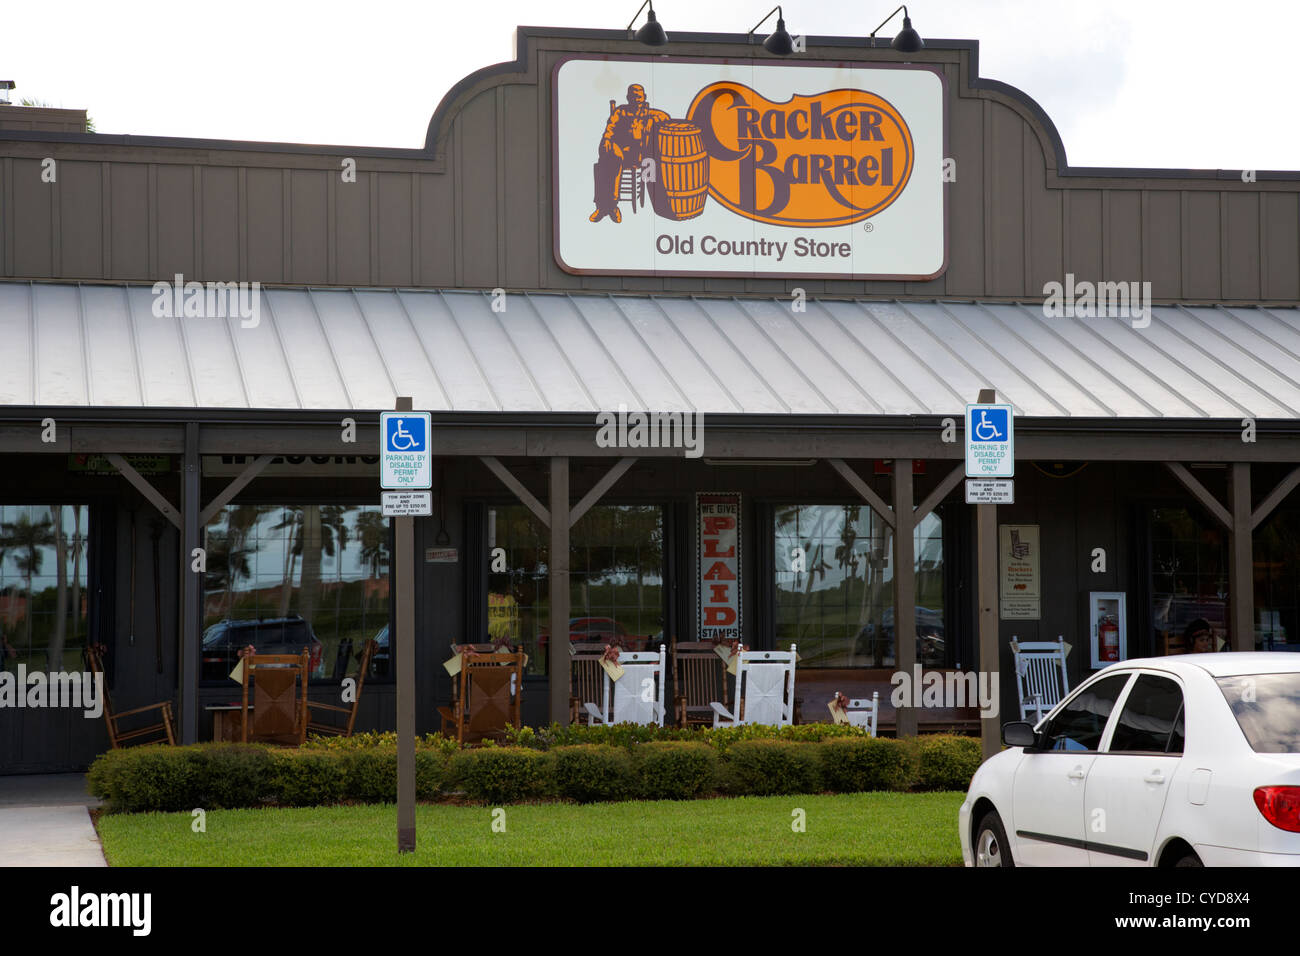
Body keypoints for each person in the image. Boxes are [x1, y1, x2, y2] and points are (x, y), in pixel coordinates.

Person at [590, 83, 670, 223]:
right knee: (603, 164)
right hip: (619, 151)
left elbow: (665, 117)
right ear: (628, 98)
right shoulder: (621, 111)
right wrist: (607, 140)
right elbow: (610, 128)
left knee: (608, 163)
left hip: (637, 155)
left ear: (644, 98)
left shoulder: (649, 113)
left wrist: (658, 120)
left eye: (639, 97)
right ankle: (604, 207)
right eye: (633, 97)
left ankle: (609, 207)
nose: (636, 100)